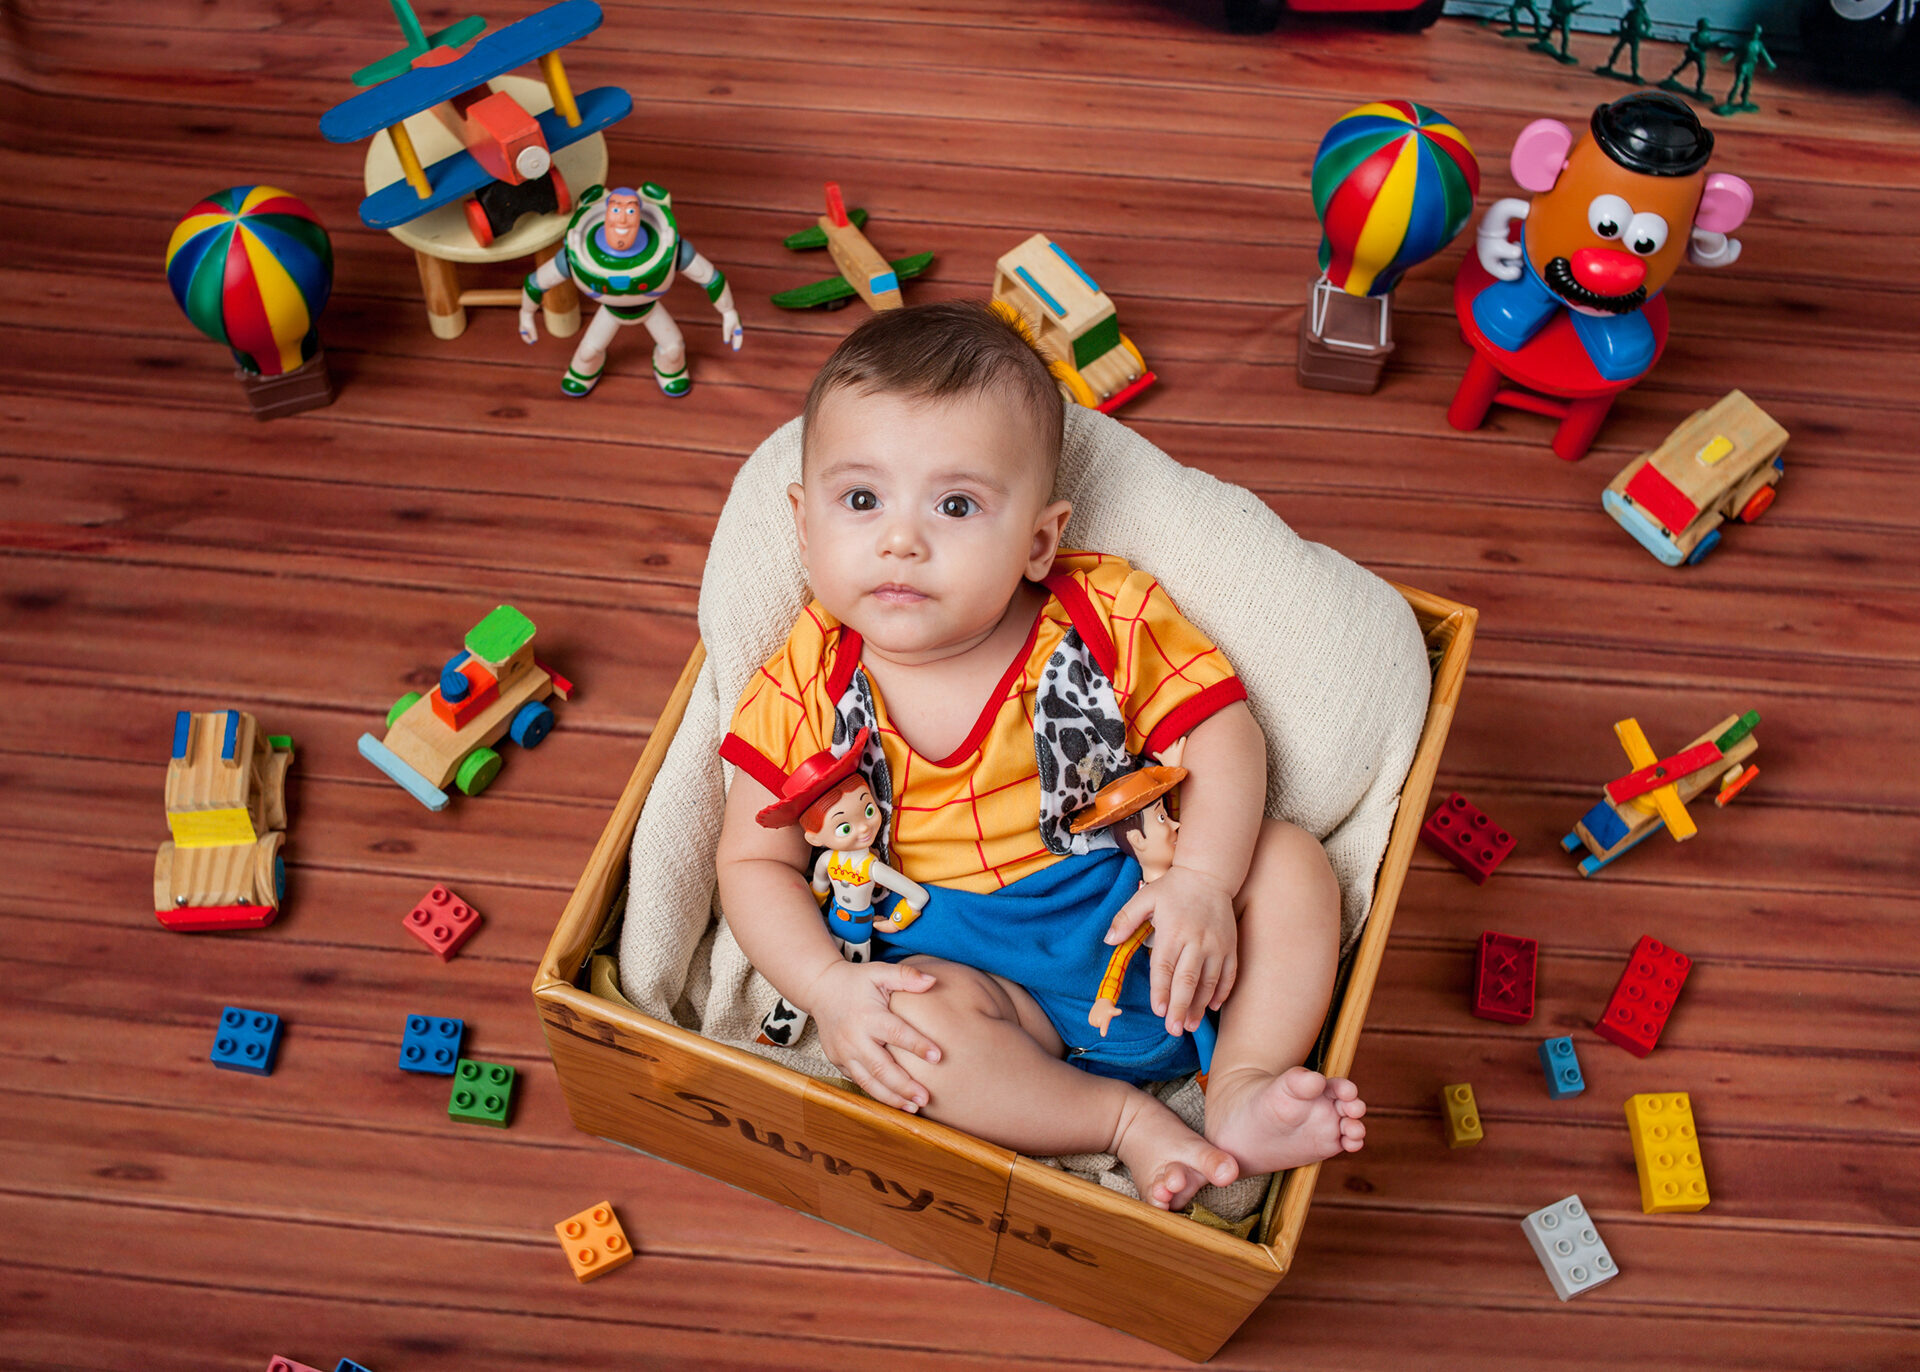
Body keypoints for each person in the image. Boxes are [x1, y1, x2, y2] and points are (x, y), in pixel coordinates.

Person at [715, 301, 1365, 1212]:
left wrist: (1206, 882)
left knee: (1292, 862)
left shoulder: (1099, 614)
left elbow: (1223, 729)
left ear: (1038, 540)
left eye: (956, 505)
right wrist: (827, 988)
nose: (901, 539)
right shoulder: (801, 680)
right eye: (861, 500)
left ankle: (1244, 1082)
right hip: (973, 970)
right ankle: (1120, 1122)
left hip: (1145, 902)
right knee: (905, 1030)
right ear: (802, 522)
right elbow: (752, 862)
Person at [750, 729, 930, 1048]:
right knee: (806, 979)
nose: (863, 828)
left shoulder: (871, 867)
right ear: (814, 838)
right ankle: (780, 1028)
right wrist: (806, 916)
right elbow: (817, 890)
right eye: (844, 826)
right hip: (831, 924)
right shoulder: (827, 860)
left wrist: (895, 921)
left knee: (857, 991)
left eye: (869, 810)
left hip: (860, 934)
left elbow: (918, 895)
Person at [518, 182, 742, 398]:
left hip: (649, 309)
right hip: (610, 312)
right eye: (616, 210)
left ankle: (670, 370)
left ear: (640, 215)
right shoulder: (577, 253)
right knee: (587, 354)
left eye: (630, 211)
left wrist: (729, 312)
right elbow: (536, 283)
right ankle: (584, 370)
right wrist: (526, 313)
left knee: (673, 351)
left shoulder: (670, 249)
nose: (622, 219)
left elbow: (712, 279)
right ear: (606, 214)